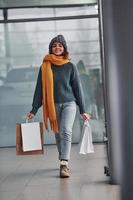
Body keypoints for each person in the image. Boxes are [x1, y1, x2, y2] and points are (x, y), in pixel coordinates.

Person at [26, 35, 90, 178]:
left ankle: (64, 164)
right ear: (51, 48)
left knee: (66, 131)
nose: (57, 48)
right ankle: (62, 156)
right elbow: (39, 90)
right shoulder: (44, 67)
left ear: (64, 48)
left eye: (60, 45)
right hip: (52, 105)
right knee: (58, 133)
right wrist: (34, 109)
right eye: (54, 45)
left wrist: (83, 110)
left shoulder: (70, 66)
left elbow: (77, 89)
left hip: (69, 103)